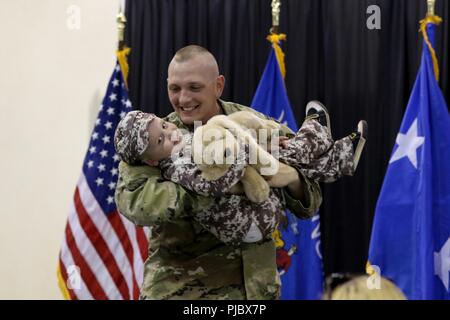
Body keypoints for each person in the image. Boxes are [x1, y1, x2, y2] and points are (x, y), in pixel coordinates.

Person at [115, 45, 324, 300]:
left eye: (194, 87)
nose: (183, 99)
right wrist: (214, 178)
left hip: (256, 293)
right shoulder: (154, 142)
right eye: (175, 89)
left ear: (218, 86)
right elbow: (137, 204)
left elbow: (310, 200)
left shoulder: (251, 121)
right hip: (181, 294)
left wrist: (290, 177)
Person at [113, 103, 367, 246]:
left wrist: (265, 154)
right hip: (247, 221)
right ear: (150, 159)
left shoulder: (211, 125)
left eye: (165, 126)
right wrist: (249, 152)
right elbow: (213, 182)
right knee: (276, 157)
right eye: (161, 139)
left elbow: (308, 203)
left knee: (284, 150)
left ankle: (339, 155)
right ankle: (322, 139)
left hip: (256, 258)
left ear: (218, 84)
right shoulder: (174, 166)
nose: (171, 132)